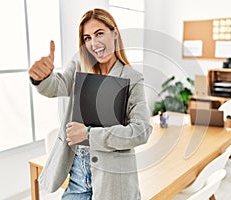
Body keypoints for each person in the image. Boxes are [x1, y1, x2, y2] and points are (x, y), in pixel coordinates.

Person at [28, 8, 153, 200]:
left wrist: (88, 134)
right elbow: (58, 85)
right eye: (87, 38)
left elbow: (141, 130)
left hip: (112, 177)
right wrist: (41, 78)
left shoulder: (132, 78)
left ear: (115, 33)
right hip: (77, 172)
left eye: (99, 33)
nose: (93, 43)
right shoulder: (80, 64)